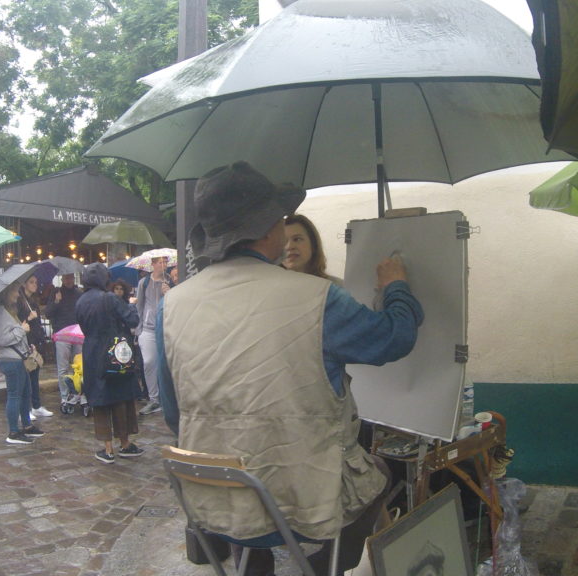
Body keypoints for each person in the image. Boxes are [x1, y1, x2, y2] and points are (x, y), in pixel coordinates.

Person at [157, 161, 424, 575]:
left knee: (253, 519)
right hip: (302, 502)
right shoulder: (318, 298)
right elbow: (395, 338)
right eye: (281, 220)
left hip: (216, 500)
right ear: (268, 231)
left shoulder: (171, 305)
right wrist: (395, 287)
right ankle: (323, 568)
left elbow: (174, 414)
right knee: (380, 479)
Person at [75, 263, 145, 464]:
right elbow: (132, 320)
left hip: (91, 353)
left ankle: (107, 449)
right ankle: (124, 444)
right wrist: (131, 304)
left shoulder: (80, 302)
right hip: (115, 352)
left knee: (99, 399)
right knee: (121, 397)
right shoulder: (110, 298)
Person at [0, 282, 44, 445]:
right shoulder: (0, 313)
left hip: (18, 358)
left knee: (26, 392)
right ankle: (13, 432)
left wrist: (27, 345)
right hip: (9, 359)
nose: (18, 294)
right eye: (14, 291)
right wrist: (22, 330)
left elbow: (13, 333)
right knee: (14, 395)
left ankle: (27, 426)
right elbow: (3, 339)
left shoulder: (9, 312)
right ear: (6, 293)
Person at [136, 255, 170, 415]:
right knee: (149, 362)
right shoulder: (144, 283)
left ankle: (166, 399)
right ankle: (154, 398)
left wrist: (169, 292)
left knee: (165, 364)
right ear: (153, 264)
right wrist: (139, 329)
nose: (163, 265)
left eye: (165, 262)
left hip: (166, 327)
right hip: (148, 329)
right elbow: (140, 306)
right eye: (160, 262)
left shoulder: (170, 280)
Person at [45, 273, 82, 413]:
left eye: (71, 278)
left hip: (77, 333)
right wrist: (56, 302)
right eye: (66, 278)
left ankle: (77, 393)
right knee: (63, 368)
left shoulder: (79, 293)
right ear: (62, 279)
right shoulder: (56, 293)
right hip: (62, 333)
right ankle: (65, 396)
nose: (69, 280)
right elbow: (48, 313)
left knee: (78, 366)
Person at [19, 274, 52, 418]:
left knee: (35, 375)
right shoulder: (20, 302)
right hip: (26, 341)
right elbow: (19, 323)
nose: (35, 285)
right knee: (27, 376)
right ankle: (26, 408)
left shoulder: (32, 301)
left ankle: (36, 405)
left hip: (36, 340)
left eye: (36, 282)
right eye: (31, 282)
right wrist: (28, 318)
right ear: (25, 284)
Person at [283, 213, 344, 285]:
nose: (289, 246)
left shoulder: (336, 288)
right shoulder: (270, 289)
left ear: (313, 244)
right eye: (283, 241)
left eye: (297, 239)